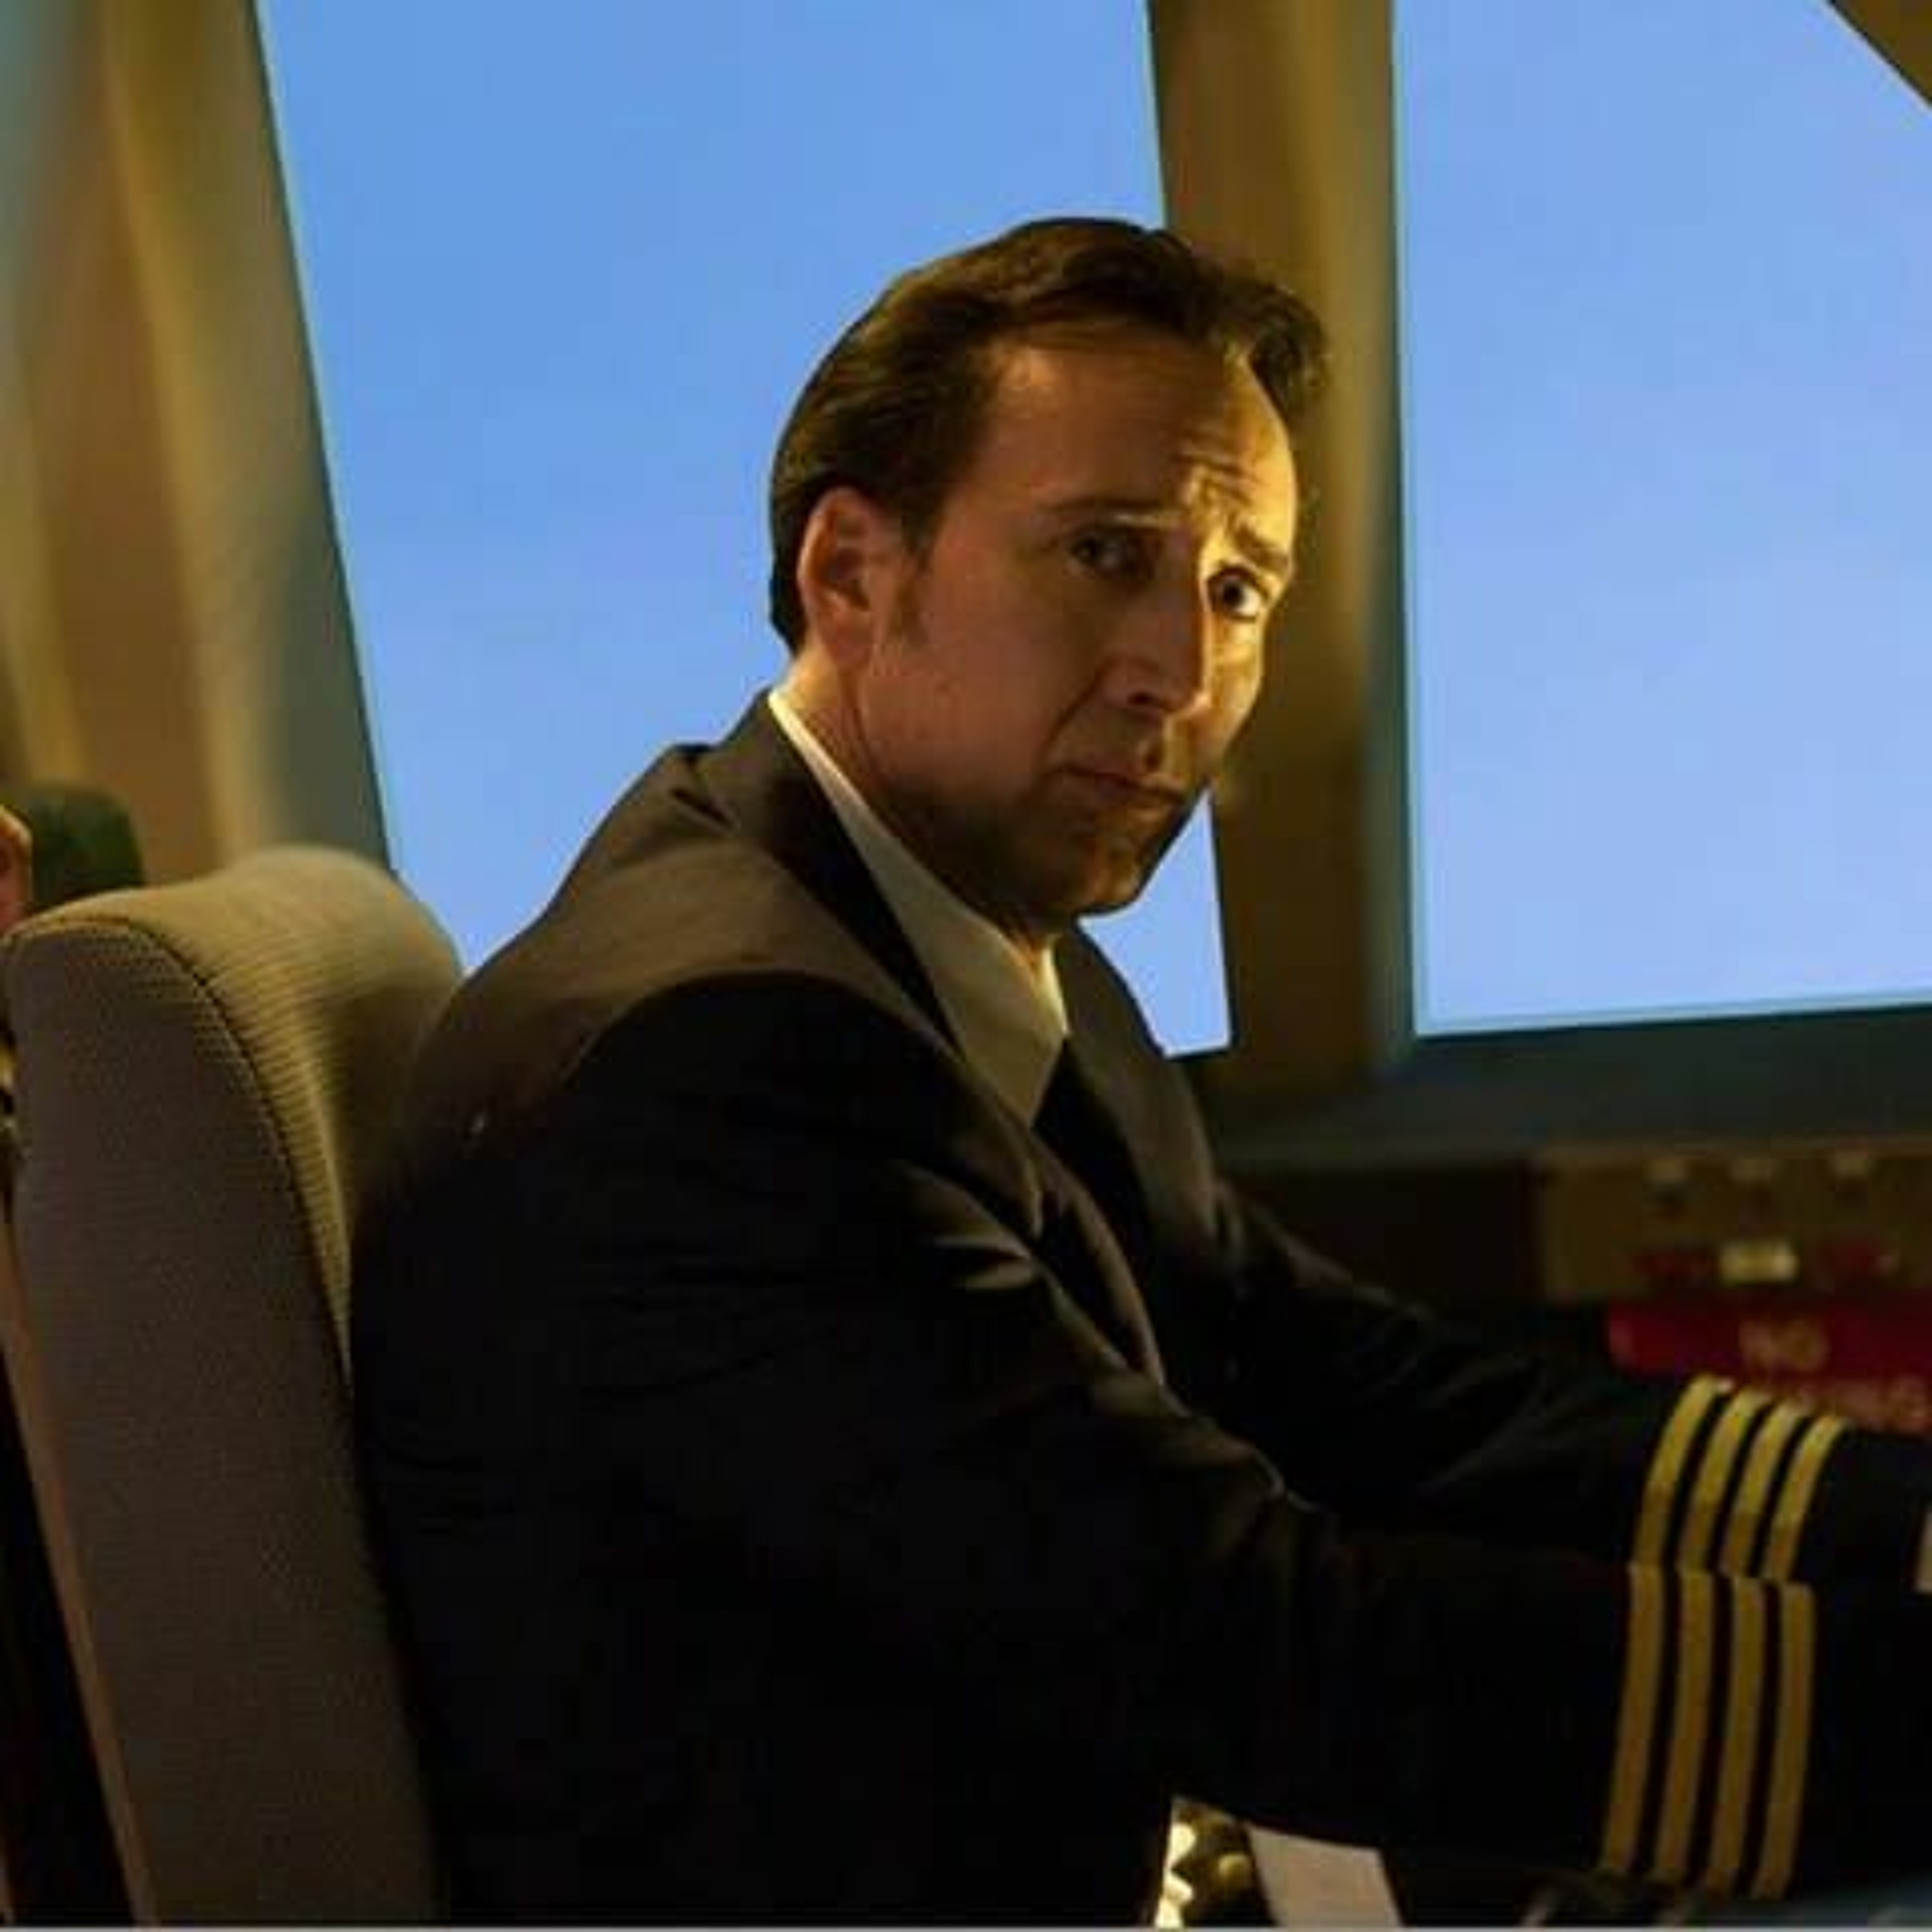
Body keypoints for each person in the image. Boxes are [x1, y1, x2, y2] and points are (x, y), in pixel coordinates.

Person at [354, 217, 1932, 1924]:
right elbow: (1245, 1638)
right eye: (1104, 554)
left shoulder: (947, 926)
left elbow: (1342, 1382)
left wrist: (1905, 1531)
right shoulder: (712, 1063)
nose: (1179, 670)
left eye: (1238, 591)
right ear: (851, 575)